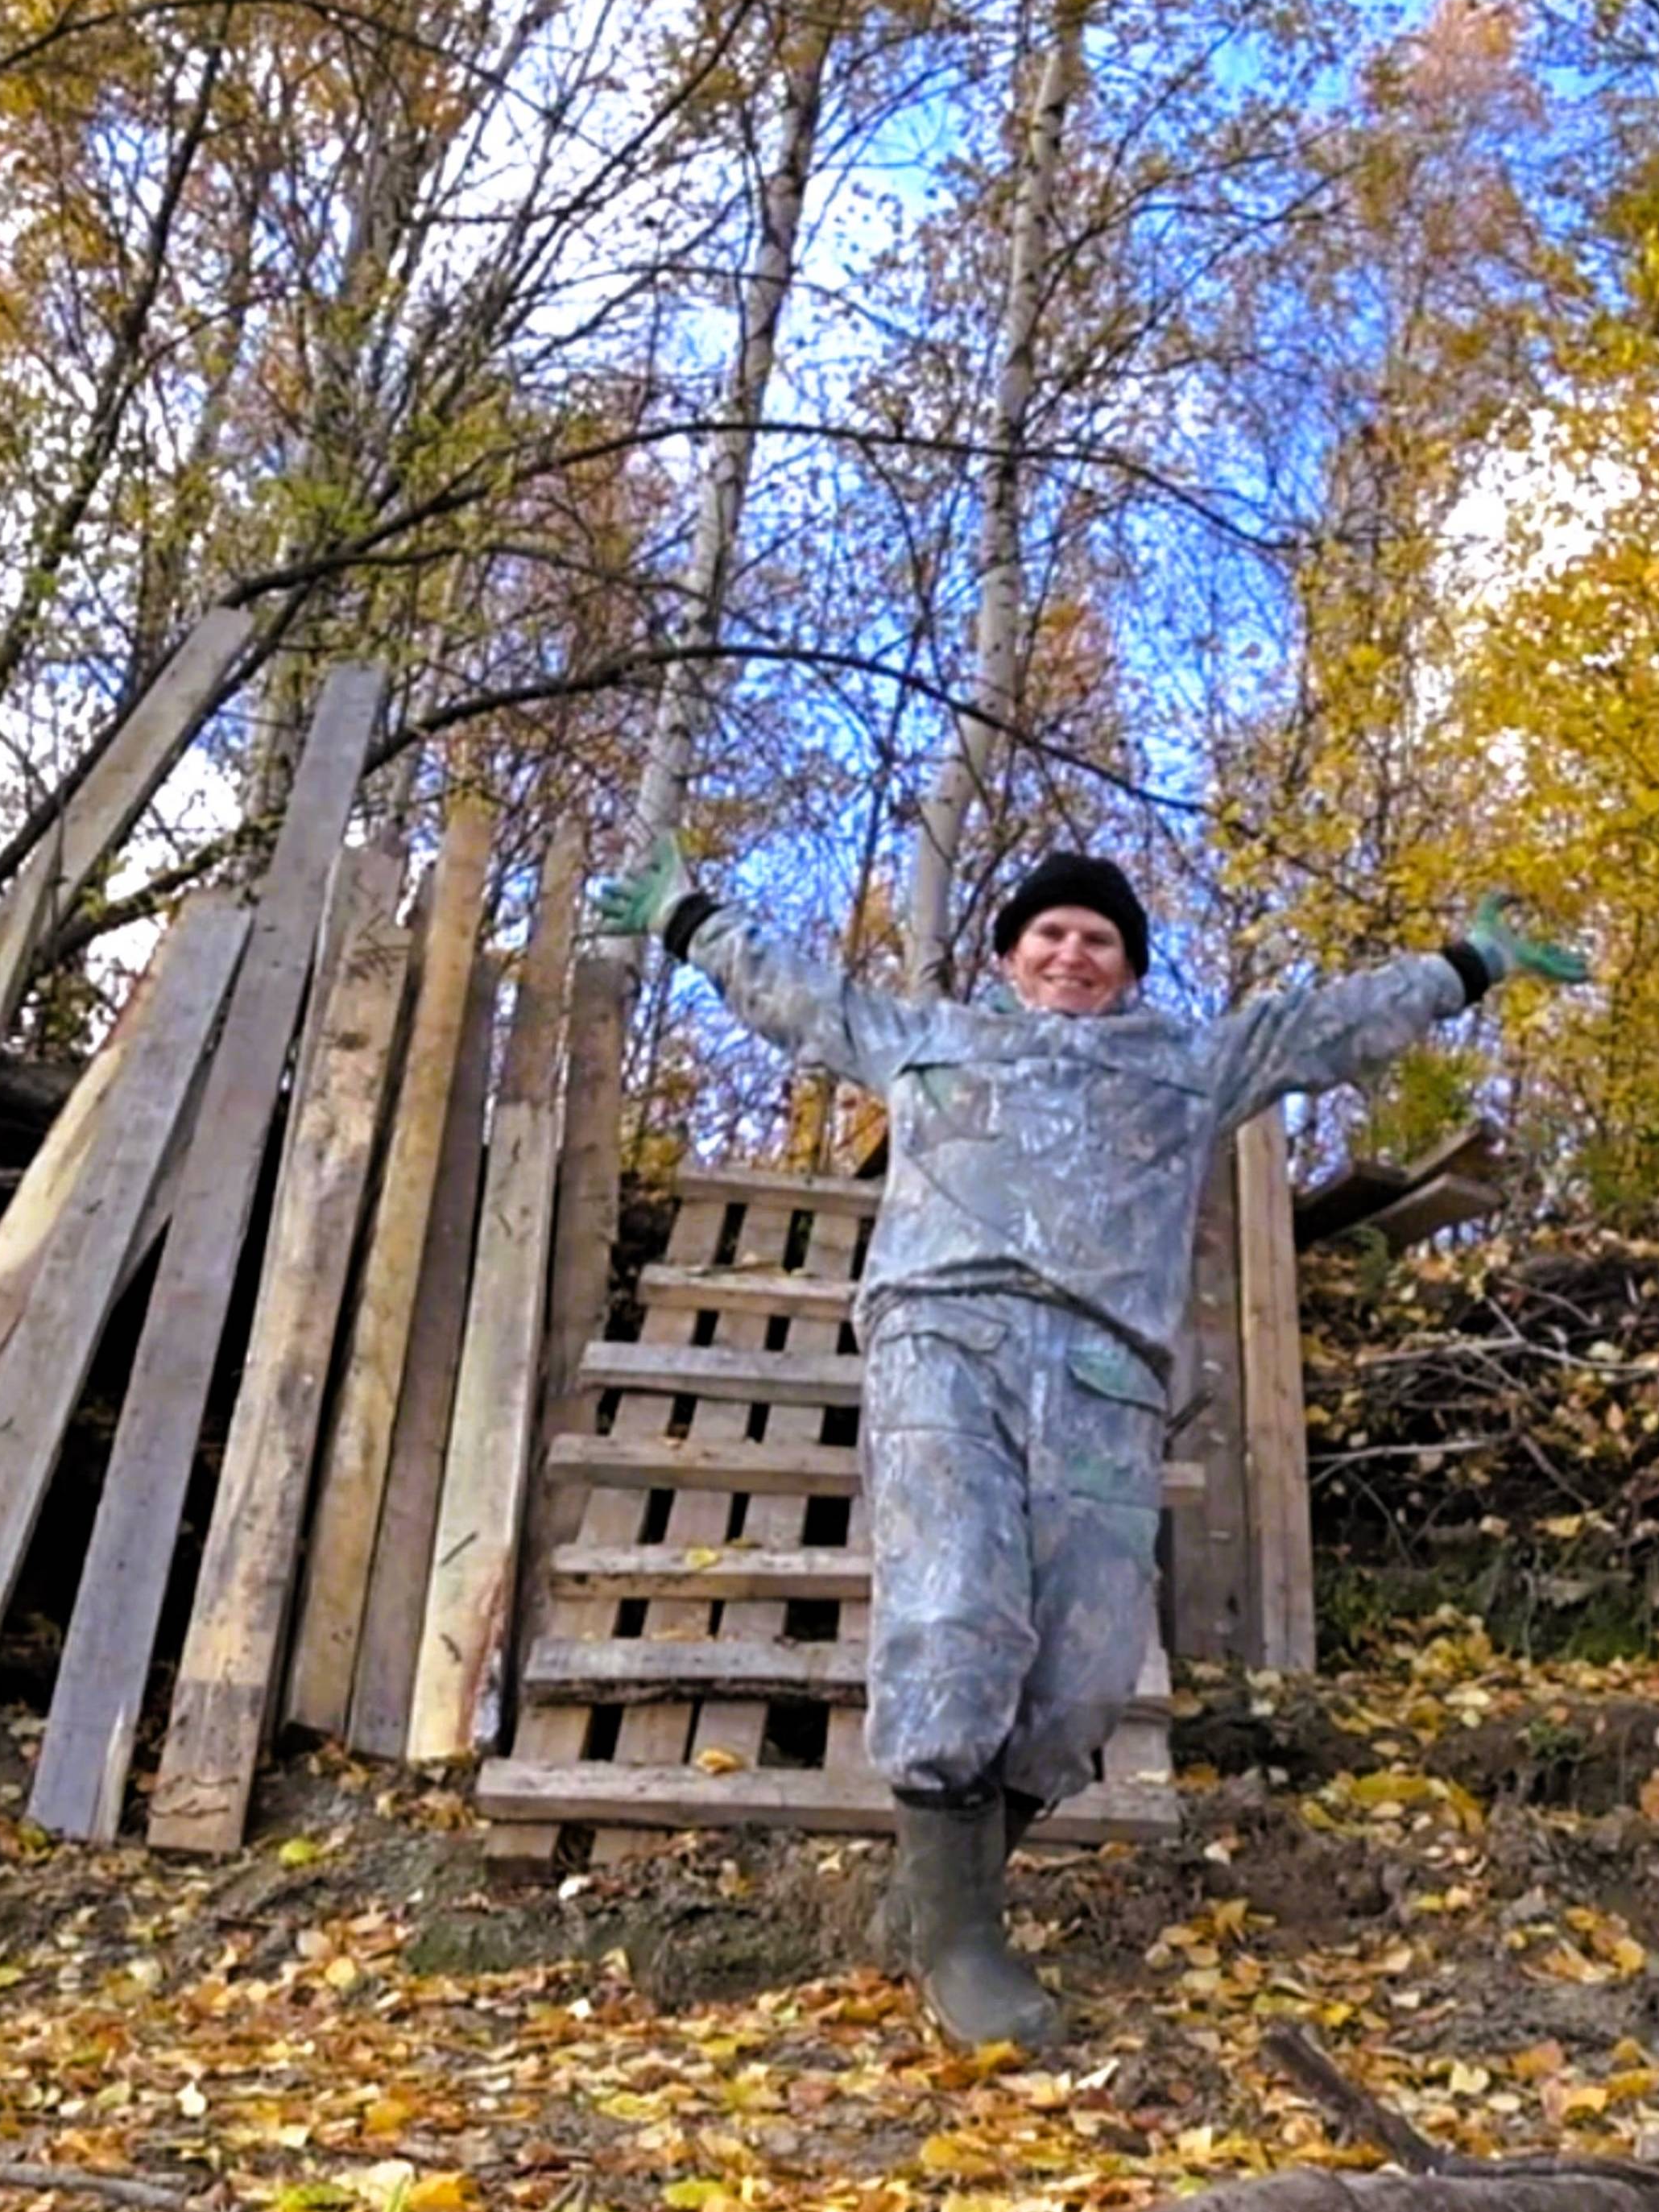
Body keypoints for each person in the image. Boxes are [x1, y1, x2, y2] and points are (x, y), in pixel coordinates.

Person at [583, 839, 1587, 2049]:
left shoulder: (1187, 1065)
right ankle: (962, 1943)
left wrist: (1469, 963)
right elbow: (800, 998)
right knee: (957, 1608)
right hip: (945, 1344)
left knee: (1087, 1670)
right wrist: (688, 916)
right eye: (1050, 934)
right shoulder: (930, 1037)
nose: (1073, 953)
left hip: (1106, 1375)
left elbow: (1329, 1028)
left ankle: (939, 1895)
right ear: (1011, 957)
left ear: (1130, 968)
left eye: (1099, 939)